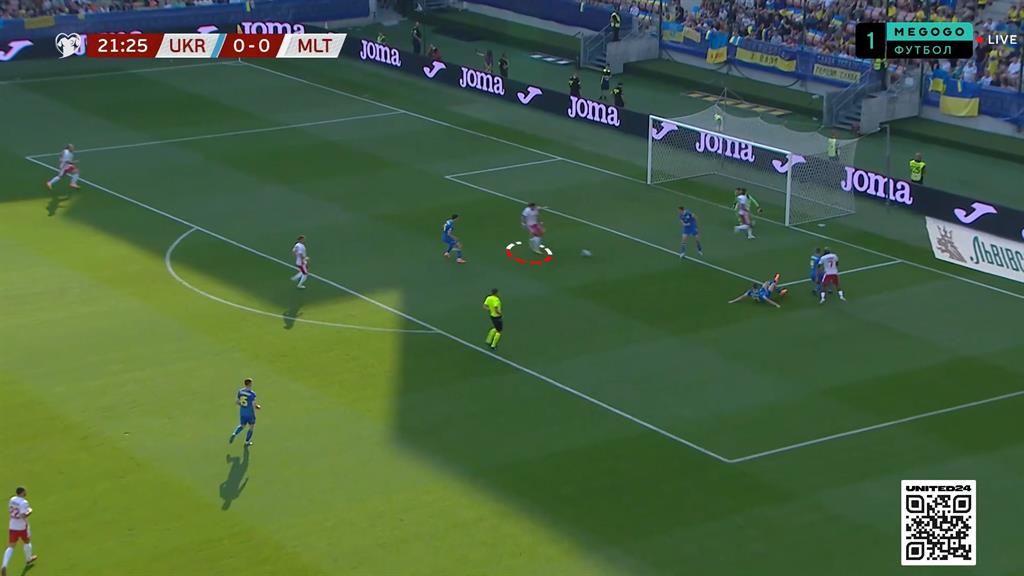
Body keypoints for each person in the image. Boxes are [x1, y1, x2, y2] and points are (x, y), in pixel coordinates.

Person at [3, 487, 37, 576]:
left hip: (12, 525)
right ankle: (29, 559)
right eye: (25, 491)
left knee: (11, 546)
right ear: (22, 492)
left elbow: (10, 510)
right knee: (27, 541)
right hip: (21, 526)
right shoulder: (24, 502)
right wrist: (30, 511)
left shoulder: (12, 499)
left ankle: (4, 565)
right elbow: (23, 515)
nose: (26, 492)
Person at [229, 378, 261, 446]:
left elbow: (237, 402)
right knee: (251, 427)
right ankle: (247, 442)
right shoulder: (252, 394)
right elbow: (253, 404)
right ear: (250, 384)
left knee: (242, 425)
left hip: (242, 412)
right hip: (250, 413)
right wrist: (257, 407)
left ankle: (235, 433)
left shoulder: (240, 391)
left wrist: (243, 405)